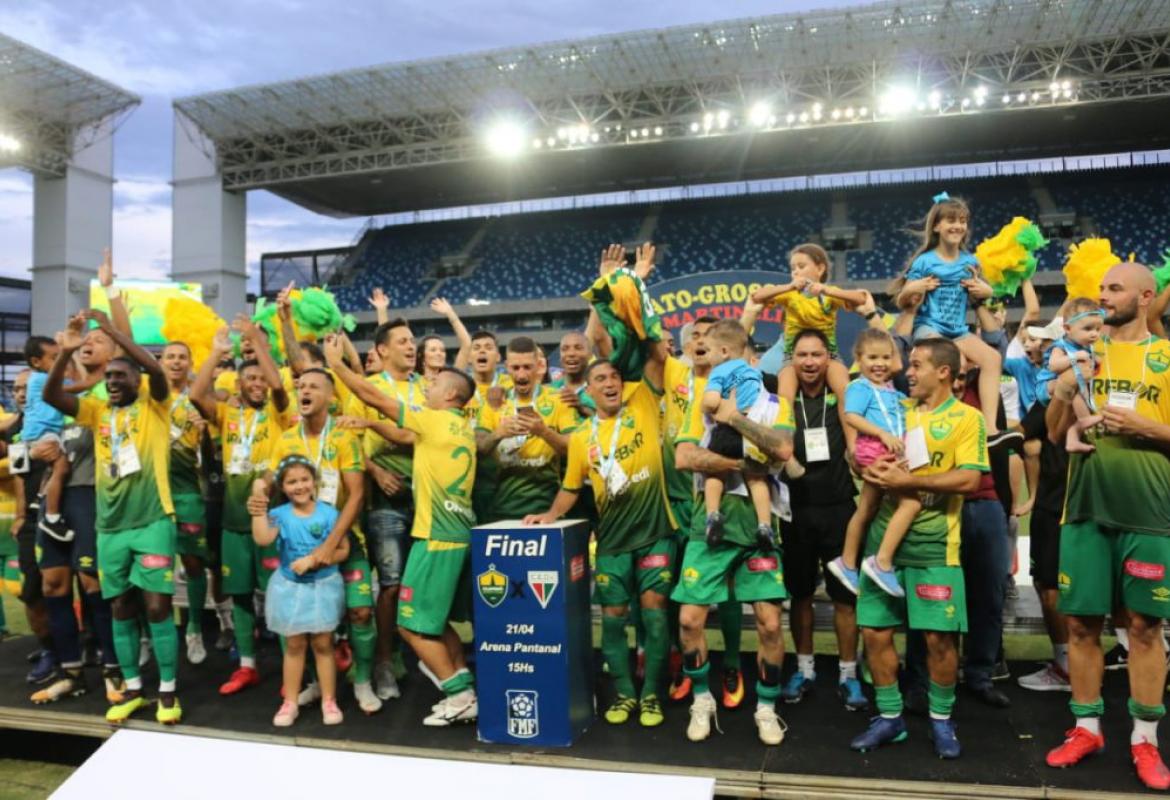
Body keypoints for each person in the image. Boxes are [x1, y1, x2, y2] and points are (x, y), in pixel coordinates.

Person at [1043, 262, 1170, 790]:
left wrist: (1146, 427)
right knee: (1080, 625)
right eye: (1100, 288)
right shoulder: (1083, 352)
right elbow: (1054, 435)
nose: (1102, 296)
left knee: (1144, 627)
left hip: (1149, 512)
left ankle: (1145, 738)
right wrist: (1063, 389)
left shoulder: (1166, 357)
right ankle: (1087, 728)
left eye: (1114, 289)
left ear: (1145, 297)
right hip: (1085, 508)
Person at [324, 338, 481, 727]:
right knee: (436, 622)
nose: (428, 385)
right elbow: (405, 436)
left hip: (437, 538)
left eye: (435, 383)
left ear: (450, 395)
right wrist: (369, 424)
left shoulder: (434, 419)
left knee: (410, 626)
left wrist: (337, 366)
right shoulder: (457, 426)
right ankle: (463, 684)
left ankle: (458, 696)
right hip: (455, 534)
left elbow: (372, 395)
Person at [849, 337, 987, 759]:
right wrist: (864, 464)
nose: (906, 372)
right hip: (882, 548)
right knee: (875, 633)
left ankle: (941, 720)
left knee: (939, 640)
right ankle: (890, 717)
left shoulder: (967, 418)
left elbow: (970, 479)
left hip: (935, 548)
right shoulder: (896, 410)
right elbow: (859, 455)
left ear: (943, 372)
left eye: (916, 365)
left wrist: (911, 482)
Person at [44, 309, 184, 725]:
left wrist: (111, 331)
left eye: (121, 376)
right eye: (109, 377)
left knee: (157, 607)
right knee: (121, 606)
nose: (113, 381)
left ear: (137, 381)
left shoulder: (156, 404)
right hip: (110, 528)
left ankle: (168, 692)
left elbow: (154, 369)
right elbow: (52, 397)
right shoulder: (98, 411)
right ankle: (133, 689)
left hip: (153, 521)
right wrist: (65, 353)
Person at [525, 350, 676, 729]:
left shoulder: (642, 408)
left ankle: (651, 694)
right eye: (600, 380)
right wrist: (550, 515)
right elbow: (571, 487)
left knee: (656, 618)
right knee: (612, 621)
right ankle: (625, 694)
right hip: (611, 542)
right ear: (588, 391)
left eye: (614, 377)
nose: (609, 383)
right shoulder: (580, 439)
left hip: (655, 534)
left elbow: (647, 355)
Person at [673, 361, 796, 746]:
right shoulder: (702, 402)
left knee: (770, 624)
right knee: (689, 620)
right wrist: (746, 464)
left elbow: (783, 448)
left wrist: (734, 418)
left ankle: (766, 708)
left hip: (757, 530)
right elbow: (685, 457)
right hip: (708, 528)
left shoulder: (775, 404)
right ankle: (702, 700)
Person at [260, 368, 378, 714]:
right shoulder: (286, 439)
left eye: (313, 387)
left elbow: (356, 495)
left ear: (330, 397)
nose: (304, 391)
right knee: (301, 623)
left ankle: (363, 681)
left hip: (343, 540)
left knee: (360, 611)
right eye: (301, 387)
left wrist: (329, 546)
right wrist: (258, 488)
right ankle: (314, 683)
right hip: (298, 544)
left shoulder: (344, 438)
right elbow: (269, 479)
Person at [190, 323, 291, 697]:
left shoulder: (278, 412)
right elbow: (196, 393)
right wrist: (217, 352)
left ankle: (292, 668)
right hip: (234, 521)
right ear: (238, 384)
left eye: (261, 378)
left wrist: (259, 343)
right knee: (241, 595)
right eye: (251, 378)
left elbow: (278, 385)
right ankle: (247, 665)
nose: (258, 384)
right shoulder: (227, 415)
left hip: (272, 520)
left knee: (279, 594)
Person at [778, 328, 867, 712]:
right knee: (800, 595)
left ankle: (848, 674)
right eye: (802, 355)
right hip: (795, 511)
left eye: (817, 354)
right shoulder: (779, 395)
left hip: (839, 510)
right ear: (792, 360)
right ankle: (805, 669)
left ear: (829, 359)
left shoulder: (847, 395)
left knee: (845, 597)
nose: (810, 362)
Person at [888, 193, 1014, 449]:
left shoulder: (970, 261)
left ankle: (990, 429)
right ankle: (935, 419)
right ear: (936, 226)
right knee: (946, 357)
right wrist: (915, 288)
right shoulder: (925, 261)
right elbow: (902, 300)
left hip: (957, 330)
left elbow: (982, 293)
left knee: (992, 359)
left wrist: (987, 291)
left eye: (962, 221)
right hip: (929, 328)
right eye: (951, 220)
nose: (958, 226)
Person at [249, 456, 348, 728]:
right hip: (290, 589)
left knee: (323, 644)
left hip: (323, 588)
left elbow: (343, 550)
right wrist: (258, 504)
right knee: (294, 645)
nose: (300, 486)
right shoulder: (280, 514)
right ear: (283, 487)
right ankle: (290, 702)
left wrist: (314, 560)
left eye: (304, 479)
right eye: (292, 482)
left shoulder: (329, 514)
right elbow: (262, 538)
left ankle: (329, 700)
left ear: (314, 482)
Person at [355, 316, 420, 701]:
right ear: (382, 350)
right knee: (392, 585)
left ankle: (407, 654)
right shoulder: (368, 388)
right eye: (403, 341)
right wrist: (376, 471)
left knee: (416, 586)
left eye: (412, 340)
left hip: (424, 499)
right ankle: (382, 660)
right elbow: (350, 440)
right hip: (384, 500)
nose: (411, 346)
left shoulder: (426, 387)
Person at [752, 243, 866, 464]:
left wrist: (827, 290)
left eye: (801, 266)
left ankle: (853, 448)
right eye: (793, 268)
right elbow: (757, 296)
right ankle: (786, 453)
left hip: (829, 355)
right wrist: (788, 286)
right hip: (792, 357)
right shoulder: (789, 294)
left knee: (845, 390)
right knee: (784, 396)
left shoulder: (829, 295)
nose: (796, 271)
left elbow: (861, 298)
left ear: (820, 268)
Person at [828, 329, 920, 597]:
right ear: (858, 359)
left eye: (886, 357)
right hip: (877, 453)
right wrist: (882, 434)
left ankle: (847, 562)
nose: (880, 364)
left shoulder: (893, 392)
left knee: (867, 508)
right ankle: (881, 562)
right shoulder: (860, 387)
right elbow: (851, 416)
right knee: (910, 503)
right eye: (872, 358)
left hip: (887, 452)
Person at [475, 336, 576, 522]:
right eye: (515, 368)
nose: (521, 375)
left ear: (538, 365)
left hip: (548, 508)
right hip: (502, 508)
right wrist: (498, 434)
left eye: (527, 367)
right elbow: (479, 448)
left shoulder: (558, 399)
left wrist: (544, 432)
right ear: (507, 367)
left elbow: (574, 449)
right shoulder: (494, 403)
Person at [160, 341, 214, 666]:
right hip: (154, 495)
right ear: (161, 362)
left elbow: (208, 459)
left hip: (188, 492)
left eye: (182, 357)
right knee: (155, 567)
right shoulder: (150, 399)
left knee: (193, 563)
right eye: (171, 357)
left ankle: (194, 628)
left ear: (190, 364)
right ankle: (154, 632)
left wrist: (204, 433)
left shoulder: (198, 401)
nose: (176, 362)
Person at [700, 321, 774, 551]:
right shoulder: (753, 372)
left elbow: (712, 401)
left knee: (715, 474)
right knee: (757, 479)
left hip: (728, 432)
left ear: (723, 351)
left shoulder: (720, 371)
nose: (707, 356)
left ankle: (713, 515)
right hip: (752, 432)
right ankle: (765, 525)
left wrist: (705, 406)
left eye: (708, 350)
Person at [1031, 299, 1106, 453]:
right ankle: (1085, 420)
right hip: (1047, 384)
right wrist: (1074, 357)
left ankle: (1072, 440)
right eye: (1088, 328)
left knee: (1073, 403)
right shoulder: (1061, 346)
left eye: (1098, 329)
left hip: (1066, 388)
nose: (1094, 333)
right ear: (1067, 328)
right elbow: (1054, 365)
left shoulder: (1086, 346)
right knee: (1074, 391)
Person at [415, 298, 472, 380]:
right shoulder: (412, 381)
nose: (439, 353)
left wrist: (450, 313)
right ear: (421, 356)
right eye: (433, 350)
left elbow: (467, 344)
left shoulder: (449, 380)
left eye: (442, 350)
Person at [467, 330, 512, 410]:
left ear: (498, 357)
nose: (482, 351)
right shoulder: (462, 387)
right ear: (469, 358)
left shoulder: (511, 385)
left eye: (488, 348)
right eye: (476, 348)